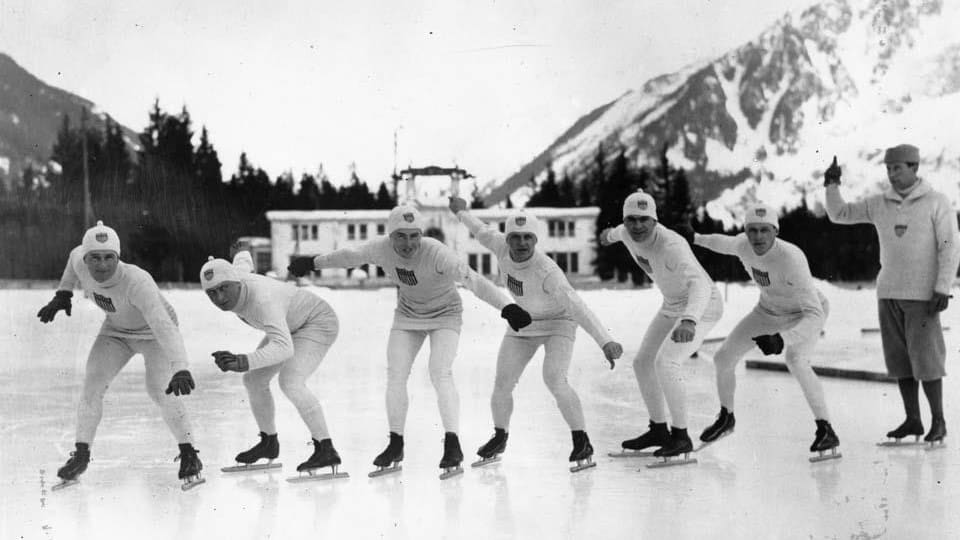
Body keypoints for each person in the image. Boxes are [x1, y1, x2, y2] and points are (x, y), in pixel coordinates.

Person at [287, 204, 532, 478]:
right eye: (400, 236)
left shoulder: (437, 253)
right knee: (395, 374)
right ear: (390, 236)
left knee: (440, 372)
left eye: (414, 235)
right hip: (408, 315)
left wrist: (507, 307)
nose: (408, 243)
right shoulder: (381, 249)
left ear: (421, 234)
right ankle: (395, 443)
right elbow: (350, 256)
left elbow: (473, 280)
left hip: (445, 315)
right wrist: (313, 262)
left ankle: (452, 443)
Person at [448, 196, 623, 472]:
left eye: (527, 237)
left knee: (554, 378)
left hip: (558, 324)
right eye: (515, 237)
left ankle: (582, 439)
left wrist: (606, 341)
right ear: (507, 239)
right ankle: (500, 436)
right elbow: (480, 230)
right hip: (524, 324)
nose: (521, 243)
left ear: (536, 240)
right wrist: (461, 211)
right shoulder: (500, 246)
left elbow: (578, 307)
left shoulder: (547, 271)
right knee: (502, 383)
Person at [37, 221, 203, 489]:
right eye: (95, 258)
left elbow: (164, 325)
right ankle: (80, 455)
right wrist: (63, 293)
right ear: (86, 257)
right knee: (92, 385)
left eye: (108, 258)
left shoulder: (137, 281)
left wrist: (180, 367)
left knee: (160, 390)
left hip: (153, 335)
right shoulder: (79, 260)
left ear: (118, 257)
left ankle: (189, 454)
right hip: (116, 331)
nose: (101, 265)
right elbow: (71, 261)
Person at [824, 145, 959, 446]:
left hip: (923, 296)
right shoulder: (879, 203)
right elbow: (840, 214)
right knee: (900, 361)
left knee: (927, 359)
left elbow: (949, 246)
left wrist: (942, 287)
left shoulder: (937, 203)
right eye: (888, 169)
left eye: (897, 168)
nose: (892, 174)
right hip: (888, 294)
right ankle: (913, 419)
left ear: (914, 167)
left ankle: (938, 421)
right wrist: (832, 185)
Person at [689, 204, 841, 459]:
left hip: (803, 313)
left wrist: (783, 339)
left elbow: (815, 314)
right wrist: (694, 238)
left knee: (796, 361)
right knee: (722, 359)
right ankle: (726, 417)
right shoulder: (743, 245)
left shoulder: (791, 258)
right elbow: (721, 242)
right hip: (767, 311)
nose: (757, 237)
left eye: (764, 230)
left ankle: (826, 429)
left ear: (775, 231)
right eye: (752, 230)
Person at [200, 249, 347, 479]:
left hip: (317, 321)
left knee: (291, 382)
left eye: (223, 289)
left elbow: (284, 347)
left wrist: (243, 360)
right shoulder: (235, 275)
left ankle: (326, 448)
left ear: (235, 282)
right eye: (211, 293)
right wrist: (240, 251)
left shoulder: (262, 300)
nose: (219, 298)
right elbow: (243, 259)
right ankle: (269, 443)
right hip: (290, 324)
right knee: (254, 379)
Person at [599, 191, 723, 464]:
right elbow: (614, 233)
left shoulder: (672, 245)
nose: (637, 226)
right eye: (631, 219)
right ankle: (658, 430)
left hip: (702, 305)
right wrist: (607, 236)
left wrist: (690, 320)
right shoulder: (626, 232)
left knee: (667, 363)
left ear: (655, 221)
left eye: (644, 220)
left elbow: (700, 286)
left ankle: (681, 436)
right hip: (672, 304)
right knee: (642, 363)